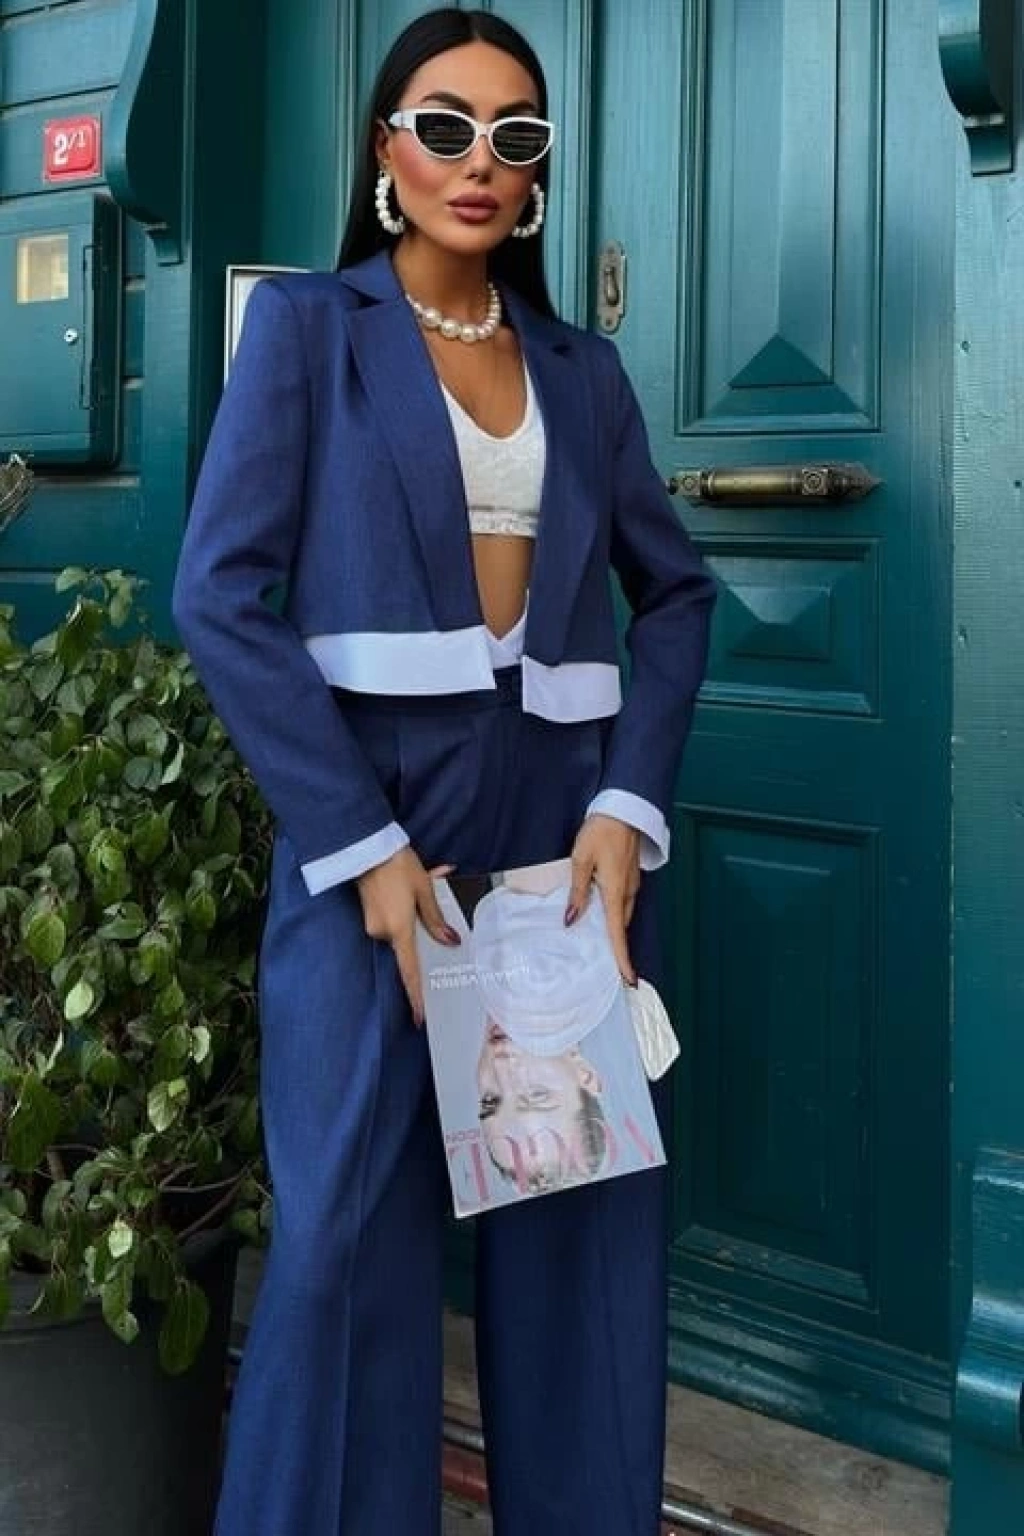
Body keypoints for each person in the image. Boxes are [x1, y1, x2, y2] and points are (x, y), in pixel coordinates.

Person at [172, 7, 716, 1534]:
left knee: (577, 1213)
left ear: (538, 174)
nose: (480, 160)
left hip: (556, 840)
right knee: (342, 1238)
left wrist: (627, 810)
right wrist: (358, 844)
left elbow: (677, 595)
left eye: (514, 135)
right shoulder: (309, 331)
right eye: (446, 125)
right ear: (387, 149)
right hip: (374, 827)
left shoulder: (585, 372)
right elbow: (219, 594)